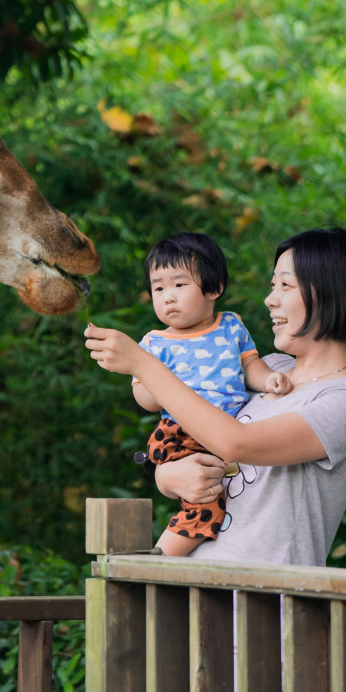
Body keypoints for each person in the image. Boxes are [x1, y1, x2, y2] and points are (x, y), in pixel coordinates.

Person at [85, 227, 346, 567]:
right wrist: (167, 477)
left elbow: (238, 444)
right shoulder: (268, 370)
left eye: (285, 285)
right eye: (273, 286)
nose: (270, 299)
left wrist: (144, 364)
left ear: (334, 292)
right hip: (193, 586)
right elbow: (213, 452)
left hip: (264, 602)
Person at [127, 231, 292, 555]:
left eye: (179, 284)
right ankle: (158, 562)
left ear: (214, 288)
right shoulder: (153, 344)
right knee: (205, 505)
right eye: (158, 288)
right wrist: (153, 379)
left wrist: (270, 379)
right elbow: (144, 399)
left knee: (215, 498)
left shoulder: (231, 326)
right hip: (180, 434)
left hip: (224, 431)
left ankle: (161, 560)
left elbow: (250, 368)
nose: (168, 296)